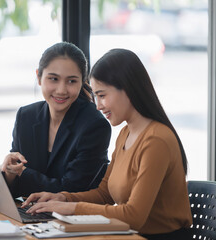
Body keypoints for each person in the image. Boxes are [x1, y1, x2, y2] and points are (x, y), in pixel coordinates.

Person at [22, 49, 193, 239]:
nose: (98, 106)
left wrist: (71, 208)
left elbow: (134, 216)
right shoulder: (126, 133)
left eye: (102, 95)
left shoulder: (156, 140)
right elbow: (105, 194)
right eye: (96, 96)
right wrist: (62, 198)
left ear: (128, 89)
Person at [0, 42, 111, 198]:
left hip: (74, 219)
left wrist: (24, 174)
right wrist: (10, 172)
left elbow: (72, 190)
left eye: (72, 81)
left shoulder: (94, 125)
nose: (61, 90)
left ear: (82, 82)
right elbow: (17, 191)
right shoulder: (26, 116)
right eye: (53, 79)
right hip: (30, 216)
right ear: (39, 77)